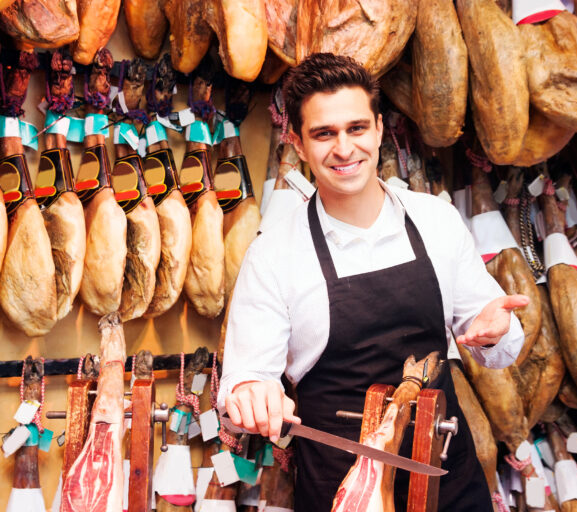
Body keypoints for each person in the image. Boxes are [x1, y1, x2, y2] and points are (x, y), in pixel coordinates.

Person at [218, 52, 529, 511]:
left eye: (357, 128)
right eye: (324, 134)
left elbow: (500, 349)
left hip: (449, 482)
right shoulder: (274, 255)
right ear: (298, 144)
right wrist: (251, 395)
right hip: (343, 491)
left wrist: (497, 332)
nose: (345, 149)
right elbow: (244, 382)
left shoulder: (436, 221)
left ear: (379, 129)